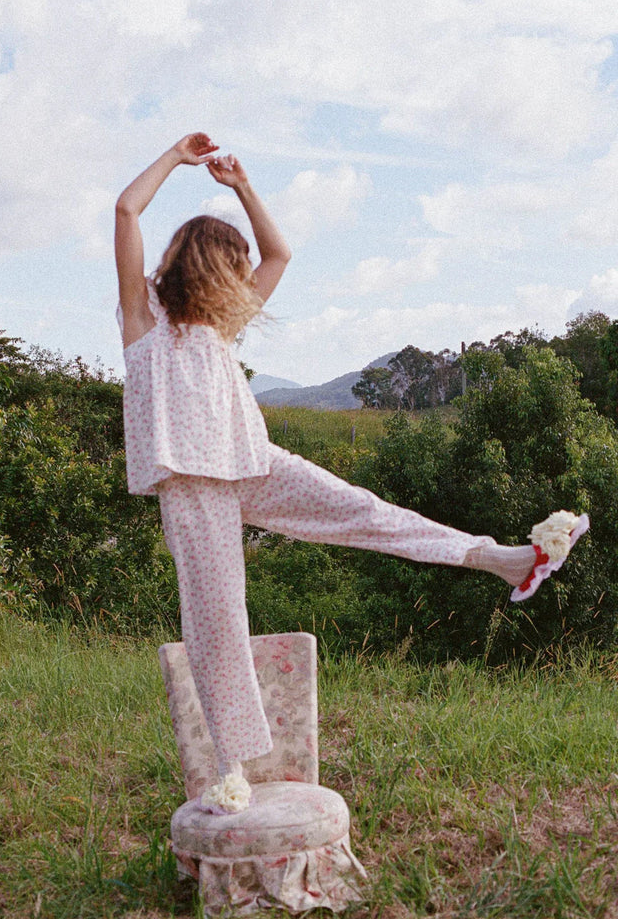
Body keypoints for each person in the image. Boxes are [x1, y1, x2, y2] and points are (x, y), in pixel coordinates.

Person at [115, 133, 589, 812]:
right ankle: (231, 769)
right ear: (209, 267)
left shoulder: (222, 329)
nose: (244, 278)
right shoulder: (143, 322)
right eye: (233, 266)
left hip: (251, 464)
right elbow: (126, 213)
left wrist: (243, 185)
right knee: (217, 618)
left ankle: (506, 561)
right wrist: (173, 156)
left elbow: (279, 253)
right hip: (192, 484)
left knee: (363, 511)